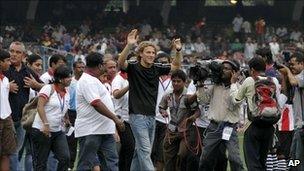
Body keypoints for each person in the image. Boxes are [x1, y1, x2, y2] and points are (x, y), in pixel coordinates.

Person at [117, 29, 182, 171]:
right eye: (148, 52)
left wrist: (178, 50)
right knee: (145, 151)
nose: (151, 55)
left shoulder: (157, 68)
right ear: (140, 53)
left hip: (151, 117)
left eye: (153, 53)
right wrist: (129, 45)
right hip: (137, 116)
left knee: (139, 151)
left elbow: (176, 66)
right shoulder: (133, 67)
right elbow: (121, 63)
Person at [230, 56, 286, 170]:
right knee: (263, 162)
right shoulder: (272, 80)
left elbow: (236, 100)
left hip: (253, 126)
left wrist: (233, 84)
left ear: (251, 70)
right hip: (269, 126)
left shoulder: (249, 80)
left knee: (252, 163)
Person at [75, 52, 125, 171]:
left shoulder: (94, 80)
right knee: (86, 164)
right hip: (91, 130)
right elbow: (96, 103)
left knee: (111, 163)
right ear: (99, 66)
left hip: (104, 129)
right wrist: (115, 119)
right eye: (103, 64)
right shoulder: (87, 81)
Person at [192, 60, 244, 171]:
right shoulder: (215, 85)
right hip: (214, 127)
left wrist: (233, 83)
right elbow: (204, 100)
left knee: (234, 158)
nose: (223, 70)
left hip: (229, 127)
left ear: (234, 72)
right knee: (205, 158)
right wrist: (200, 84)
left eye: (226, 69)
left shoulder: (238, 88)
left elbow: (235, 101)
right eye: (222, 68)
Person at [4, 42, 42, 171]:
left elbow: (46, 88)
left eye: (17, 52)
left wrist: (35, 84)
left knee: (15, 151)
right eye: (11, 51)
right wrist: (5, 87)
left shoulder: (27, 71)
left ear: (24, 55)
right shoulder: (4, 68)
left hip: (21, 119)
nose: (13, 54)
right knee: (10, 152)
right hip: (5, 118)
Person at [31, 65, 72, 171]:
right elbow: (40, 106)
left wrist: (66, 118)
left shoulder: (67, 92)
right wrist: (45, 124)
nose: (70, 79)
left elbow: (64, 107)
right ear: (60, 79)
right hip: (42, 130)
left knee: (65, 158)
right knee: (41, 162)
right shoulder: (48, 88)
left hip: (57, 131)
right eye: (68, 77)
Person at [159, 69, 200, 171]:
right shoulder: (168, 95)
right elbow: (161, 107)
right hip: (171, 131)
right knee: (168, 157)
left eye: (179, 81)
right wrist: (163, 111)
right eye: (174, 81)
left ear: (184, 82)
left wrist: (193, 117)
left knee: (181, 155)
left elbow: (198, 111)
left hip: (186, 132)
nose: (176, 83)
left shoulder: (188, 96)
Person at [279, 52, 304, 170]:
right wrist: (284, 75)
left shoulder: (301, 77)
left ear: (302, 63)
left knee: (298, 159)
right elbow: (285, 93)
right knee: (293, 157)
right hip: (298, 126)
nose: (291, 67)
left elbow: (294, 82)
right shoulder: (296, 77)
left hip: (302, 126)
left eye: (293, 64)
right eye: (290, 65)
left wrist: (287, 71)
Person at [111, 68, 134, 171]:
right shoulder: (118, 79)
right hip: (121, 119)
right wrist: (129, 86)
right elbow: (116, 95)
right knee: (129, 147)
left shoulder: (134, 77)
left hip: (132, 118)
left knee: (126, 149)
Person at [67, 61, 85, 170]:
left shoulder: (86, 82)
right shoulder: (70, 83)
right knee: (71, 141)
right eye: (79, 67)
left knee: (84, 141)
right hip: (72, 113)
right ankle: (70, 165)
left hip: (83, 113)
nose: (81, 69)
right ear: (74, 69)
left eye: (83, 67)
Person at [0, 49, 16, 171]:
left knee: (6, 153)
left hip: (7, 117)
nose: (10, 63)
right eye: (7, 60)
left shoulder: (5, 79)